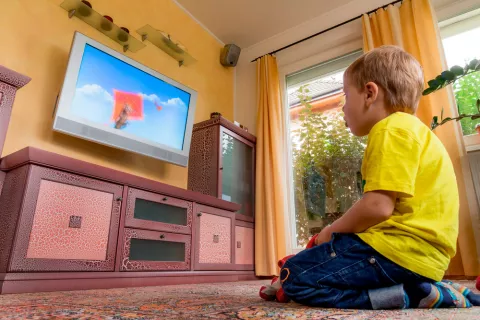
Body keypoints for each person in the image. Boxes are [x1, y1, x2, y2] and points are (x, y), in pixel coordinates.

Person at [280, 45, 480, 309]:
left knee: (294, 275)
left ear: (370, 93)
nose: (342, 108)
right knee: (330, 256)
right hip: (427, 260)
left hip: (397, 252)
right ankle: (429, 287)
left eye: (345, 96)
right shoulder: (416, 131)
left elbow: (377, 207)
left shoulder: (389, 129)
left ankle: (404, 295)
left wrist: (327, 233)